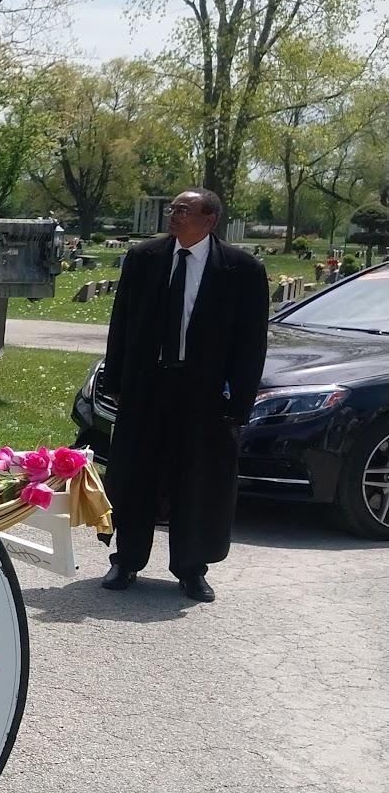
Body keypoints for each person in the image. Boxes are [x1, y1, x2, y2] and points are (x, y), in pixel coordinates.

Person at [100, 187, 267, 603]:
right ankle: (127, 560)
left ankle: (191, 568)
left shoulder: (240, 269)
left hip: (203, 391)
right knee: (136, 474)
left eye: (184, 210)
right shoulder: (144, 259)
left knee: (196, 480)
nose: (173, 215)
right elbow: (121, 325)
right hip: (147, 386)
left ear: (209, 220)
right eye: (172, 208)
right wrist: (116, 382)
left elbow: (251, 342)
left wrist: (240, 402)